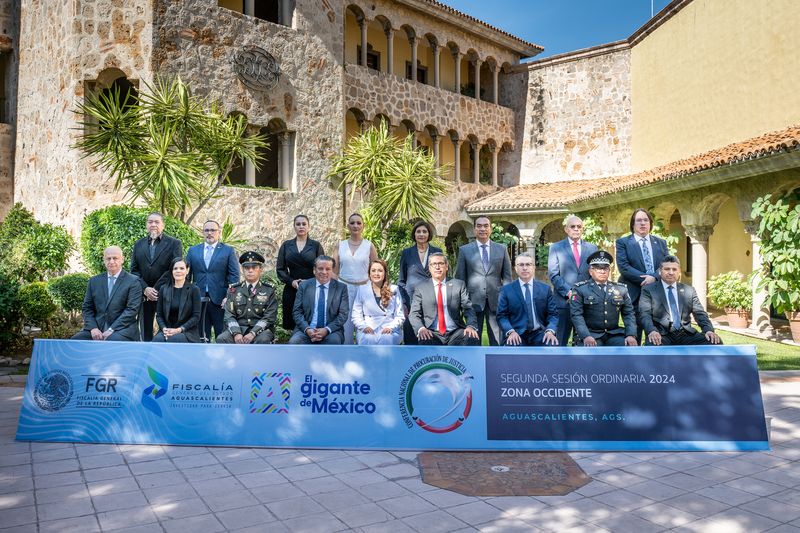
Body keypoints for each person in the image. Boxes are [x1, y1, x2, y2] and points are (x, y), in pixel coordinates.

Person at [455, 215, 512, 346]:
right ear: (474, 229)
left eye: (486, 226)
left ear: (490, 229)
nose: (482, 229)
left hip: (496, 300)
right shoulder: (464, 250)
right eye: (479, 226)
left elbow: (507, 277)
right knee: (473, 340)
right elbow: (460, 278)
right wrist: (461, 301)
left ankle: (497, 365)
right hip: (472, 302)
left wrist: (505, 298)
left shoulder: (502, 249)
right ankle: (474, 365)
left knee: (497, 340)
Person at [639, 255, 722, 346]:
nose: (671, 272)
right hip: (661, 334)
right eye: (667, 269)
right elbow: (644, 314)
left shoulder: (689, 290)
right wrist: (652, 331)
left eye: (674, 269)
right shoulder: (648, 290)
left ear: (679, 272)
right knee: (652, 346)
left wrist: (708, 330)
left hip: (685, 334)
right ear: (660, 271)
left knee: (715, 342)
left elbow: (700, 313)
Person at [616, 208, 668, 343]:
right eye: (638, 220)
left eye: (646, 220)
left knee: (656, 335)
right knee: (634, 335)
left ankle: (654, 364)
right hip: (634, 295)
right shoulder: (623, 243)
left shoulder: (661, 243)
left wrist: (655, 276)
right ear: (633, 224)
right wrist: (647, 278)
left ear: (650, 223)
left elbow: (666, 265)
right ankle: (634, 364)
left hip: (656, 295)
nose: (642, 223)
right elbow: (624, 267)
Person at [130, 212, 183, 341]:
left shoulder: (174, 243)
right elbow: (134, 270)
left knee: (165, 328)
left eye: (157, 222)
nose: (153, 224)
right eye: (150, 222)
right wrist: (145, 289)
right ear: (146, 225)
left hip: (165, 293)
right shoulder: (138, 244)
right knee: (145, 328)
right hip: (144, 295)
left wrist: (156, 289)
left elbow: (174, 268)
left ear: (163, 225)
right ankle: (146, 353)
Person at [72, 246, 142, 341]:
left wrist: (111, 329)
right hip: (97, 328)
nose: (111, 261)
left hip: (122, 329)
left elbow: (131, 310)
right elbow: (87, 308)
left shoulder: (133, 281)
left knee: (111, 341)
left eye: (115, 258)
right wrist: (93, 328)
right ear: (104, 260)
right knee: (75, 340)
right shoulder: (94, 281)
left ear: (122, 259)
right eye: (108, 258)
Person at [409, 252, 480, 346]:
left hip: (455, 332)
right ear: (429, 268)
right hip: (432, 332)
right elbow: (414, 313)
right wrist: (421, 328)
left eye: (441, 263)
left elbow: (468, 309)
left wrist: (471, 326)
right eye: (434, 264)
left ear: (446, 266)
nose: (437, 267)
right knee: (424, 339)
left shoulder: (458, 285)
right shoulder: (421, 288)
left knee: (471, 337)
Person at [185, 220, 239, 341]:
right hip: (198, 299)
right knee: (201, 336)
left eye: (213, 230)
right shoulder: (193, 250)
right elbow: (186, 276)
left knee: (222, 335)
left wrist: (229, 297)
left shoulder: (228, 251)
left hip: (220, 300)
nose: (209, 233)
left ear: (219, 232)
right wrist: (188, 296)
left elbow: (234, 276)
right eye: (206, 230)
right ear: (203, 232)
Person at [570, 250, 638, 347]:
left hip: (613, 333)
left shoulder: (621, 289)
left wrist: (631, 334)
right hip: (591, 334)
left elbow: (629, 314)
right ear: (590, 271)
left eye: (605, 268)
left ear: (609, 270)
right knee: (591, 351)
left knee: (628, 346)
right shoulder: (580, 289)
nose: (602, 271)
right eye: (598, 268)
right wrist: (585, 336)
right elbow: (576, 315)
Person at [548, 215, 598, 345]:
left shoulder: (592, 248)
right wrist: (569, 292)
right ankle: (559, 365)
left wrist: (586, 293)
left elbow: (595, 274)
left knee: (585, 342)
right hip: (564, 302)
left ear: (582, 229)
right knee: (560, 341)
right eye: (572, 226)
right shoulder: (556, 248)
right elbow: (553, 274)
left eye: (579, 227)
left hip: (586, 303)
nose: (576, 229)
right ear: (566, 229)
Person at [332, 213, 378, 344]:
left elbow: (376, 269)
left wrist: (373, 289)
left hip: (364, 289)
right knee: (345, 324)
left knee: (365, 325)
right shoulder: (340, 245)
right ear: (348, 226)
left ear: (363, 226)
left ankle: (364, 356)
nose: (355, 225)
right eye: (352, 223)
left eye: (358, 223)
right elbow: (334, 271)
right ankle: (346, 356)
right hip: (344, 288)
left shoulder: (369, 246)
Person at [497, 253, 559, 346]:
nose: (525, 268)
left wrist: (550, 331)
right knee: (512, 345)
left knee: (551, 344)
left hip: (540, 333)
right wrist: (511, 332)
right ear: (516, 268)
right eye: (521, 265)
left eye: (528, 264)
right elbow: (501, 316)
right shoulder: (506, 290)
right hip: (516, 332)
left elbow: (553, 314)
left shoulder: (545, 289)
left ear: (534, 267)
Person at [216, 251, 278, 344]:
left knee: (263, 339)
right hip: (239, 328)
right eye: (247, 268)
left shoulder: (269, 290)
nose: (250, 270)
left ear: (260, 269)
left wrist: (253, 333)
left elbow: (269, 317)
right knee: (222, 338)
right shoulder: (233, 290)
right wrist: (236, 333)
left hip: (260, 331)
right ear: (242, 270)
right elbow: (229, 315)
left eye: (254, 267)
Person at [276, 214, 325, 332]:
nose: (301, 226)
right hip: (291, 289)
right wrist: (291, 282)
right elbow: (280, 269)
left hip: (312, 289)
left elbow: (323, 268)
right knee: (292, 324)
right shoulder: (286, 245)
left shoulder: (316, 245)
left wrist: (310, 282)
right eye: (298, 224)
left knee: (312, 321)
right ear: (294, 227)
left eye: (304, 224)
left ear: (309, 227)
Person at [397, 220, 443, 345]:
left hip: (432, 301)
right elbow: (401, 281)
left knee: (431, 336)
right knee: (411, 334)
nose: (421, 234)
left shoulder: (437, 251)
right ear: (414, 234)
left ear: (429, 234)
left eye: (424, 231)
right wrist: (404, 304)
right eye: (418, 231)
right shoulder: (407, 253)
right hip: (411, 302)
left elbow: (442, 276)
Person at [289, 256, 350, 344]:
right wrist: (308, 329)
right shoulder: (304, 286)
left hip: (331, 331)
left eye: (328, 269)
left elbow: (343, 315)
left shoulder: (341, 288)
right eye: (320, 268)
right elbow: (297, 312)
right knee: (294, 342)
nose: (324, 272)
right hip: (306, 329)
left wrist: (326, 330)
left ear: (332, 270)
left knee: (334, 342)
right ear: (314, 270)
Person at [351, 259, 405, 345]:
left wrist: (391, 327)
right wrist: (364, 327)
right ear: (369, 273)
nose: (376, 274)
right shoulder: (362, 289)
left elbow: (400, 315)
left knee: (386, 338)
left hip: (390, 329)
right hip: (368, 328)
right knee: (368, 338)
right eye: (373, 271)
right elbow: (356, 315)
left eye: (380, 271)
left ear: (385, 273)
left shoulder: (394, 289)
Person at [153, 257, 202, 343]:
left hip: (187, 331)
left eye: (182, 268)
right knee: (157, 340)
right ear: (171, 271)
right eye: (175, 268)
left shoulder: (194, 290)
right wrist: (164, 329)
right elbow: (159, 315)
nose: (178, 271)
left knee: (175, 339)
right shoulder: (163, 289)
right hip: (167, 330)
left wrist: (179, 329)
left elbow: (196, 317)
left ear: (187, 271)